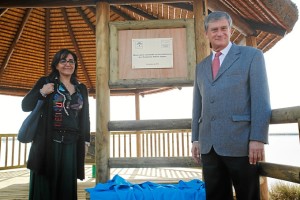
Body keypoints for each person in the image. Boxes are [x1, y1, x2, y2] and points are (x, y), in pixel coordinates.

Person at [191, 11, 271, 200]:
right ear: (207, 33)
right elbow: (197, 104)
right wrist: (195, 138)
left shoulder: (252, 56)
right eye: (214, 30)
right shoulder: (200, 67)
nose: (219, 33)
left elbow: (261, 99)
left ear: (230, 30)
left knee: (248, 196)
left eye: (223, 28)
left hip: (241, 144)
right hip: (208, 145)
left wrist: (258, 138)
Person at [22, 49, 90, 200]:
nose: (68, 64)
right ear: (56, 65)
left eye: (71, 61)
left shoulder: (81, 89)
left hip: (71, 143)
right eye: (63, 61)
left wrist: (86, 141)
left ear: (75, 65)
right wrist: (42, 92)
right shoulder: (46, 82)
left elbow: (85, 118)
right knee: (45, 184)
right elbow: (25, 105)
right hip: (47, 141)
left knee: (66, 185)